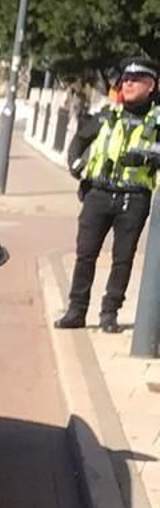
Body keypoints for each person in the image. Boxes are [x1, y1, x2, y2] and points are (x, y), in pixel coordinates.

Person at [56, 58, 160, 332]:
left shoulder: (157, 121)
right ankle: (76, 311)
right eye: (126, 79)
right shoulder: (108, 115)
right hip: (98, 193)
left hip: (134, 198)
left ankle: (109, 313)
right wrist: (75, 165)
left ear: (151, 85)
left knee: (122, 259)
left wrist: (149, 159)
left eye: (135, 80)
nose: (128, 84)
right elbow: (80, 139)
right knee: (85, 254)